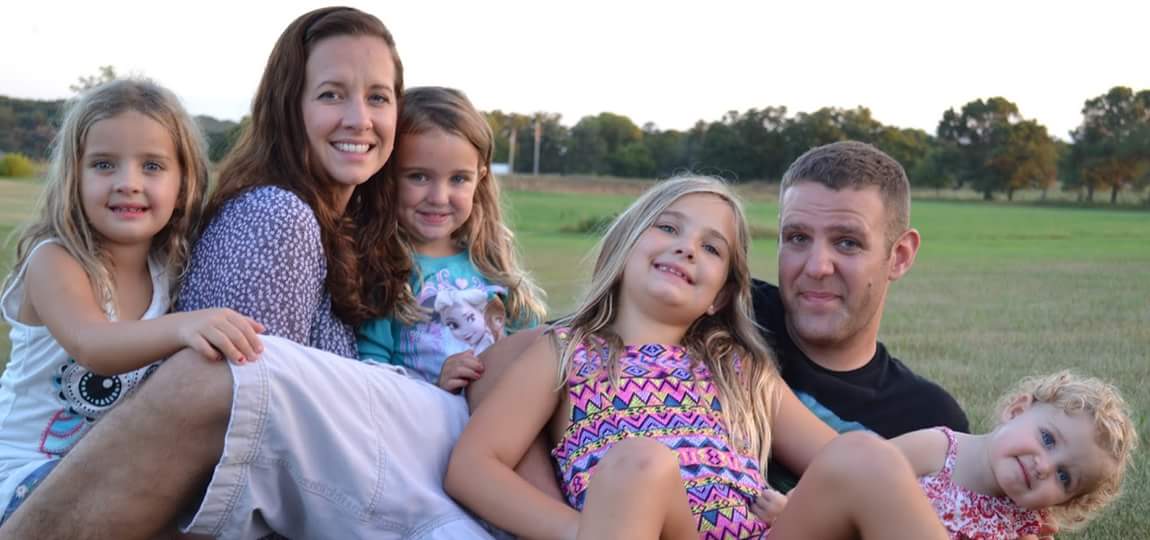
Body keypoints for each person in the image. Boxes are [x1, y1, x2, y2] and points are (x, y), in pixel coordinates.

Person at [0, 7, 503, 539]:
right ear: (290, 105)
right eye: (331, 94)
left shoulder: (330, 231)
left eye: (378, 97)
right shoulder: (276, 218)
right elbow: (256, 430)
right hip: (40, 487)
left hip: (106, 478)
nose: (359, 117)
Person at [447, 176, 954, 539]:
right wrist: (579, 530)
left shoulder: (737, 366)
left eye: (712, 249)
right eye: (668, 228)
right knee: (642, 462)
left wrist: (798, 503)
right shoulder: (564, 352)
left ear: (720, 296)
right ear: (624, 244)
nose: (687, 248)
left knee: (864, 454)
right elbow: (473, 466)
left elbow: (832, 459)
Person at [0, 78, 265, 525]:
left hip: (108, 475)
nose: (128, 183)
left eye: (152, 166)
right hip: (24, 476)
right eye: (104, 165)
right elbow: (93, 345)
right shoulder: (56, 260)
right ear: (74, 177)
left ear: (183, 183)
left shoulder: (170, 272)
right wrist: (185, 325)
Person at [753, 140, 969, 490]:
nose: (817, 266)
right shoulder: (731, 317)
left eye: (847, 243)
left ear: (900, 256)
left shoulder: (928, 421)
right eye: (797, 237)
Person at [762, 371, 1137, 540]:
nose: (1044, 466)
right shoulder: (941, 448)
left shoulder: (1025, 526)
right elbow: (850, 476)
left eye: (1064, 477)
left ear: (1065, 503)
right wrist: (794, 506)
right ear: (1017, 410)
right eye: (1047, 439)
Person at [357, 86, 545, 392]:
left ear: (479, 179)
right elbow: (371, 377)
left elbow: (535, 350)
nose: (439, 197)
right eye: (419, 176)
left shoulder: (490, 263)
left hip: (502, 409)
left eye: (458, 179)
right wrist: (437, 385)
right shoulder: (383, 269)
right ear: (387, 177)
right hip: (425, 414)